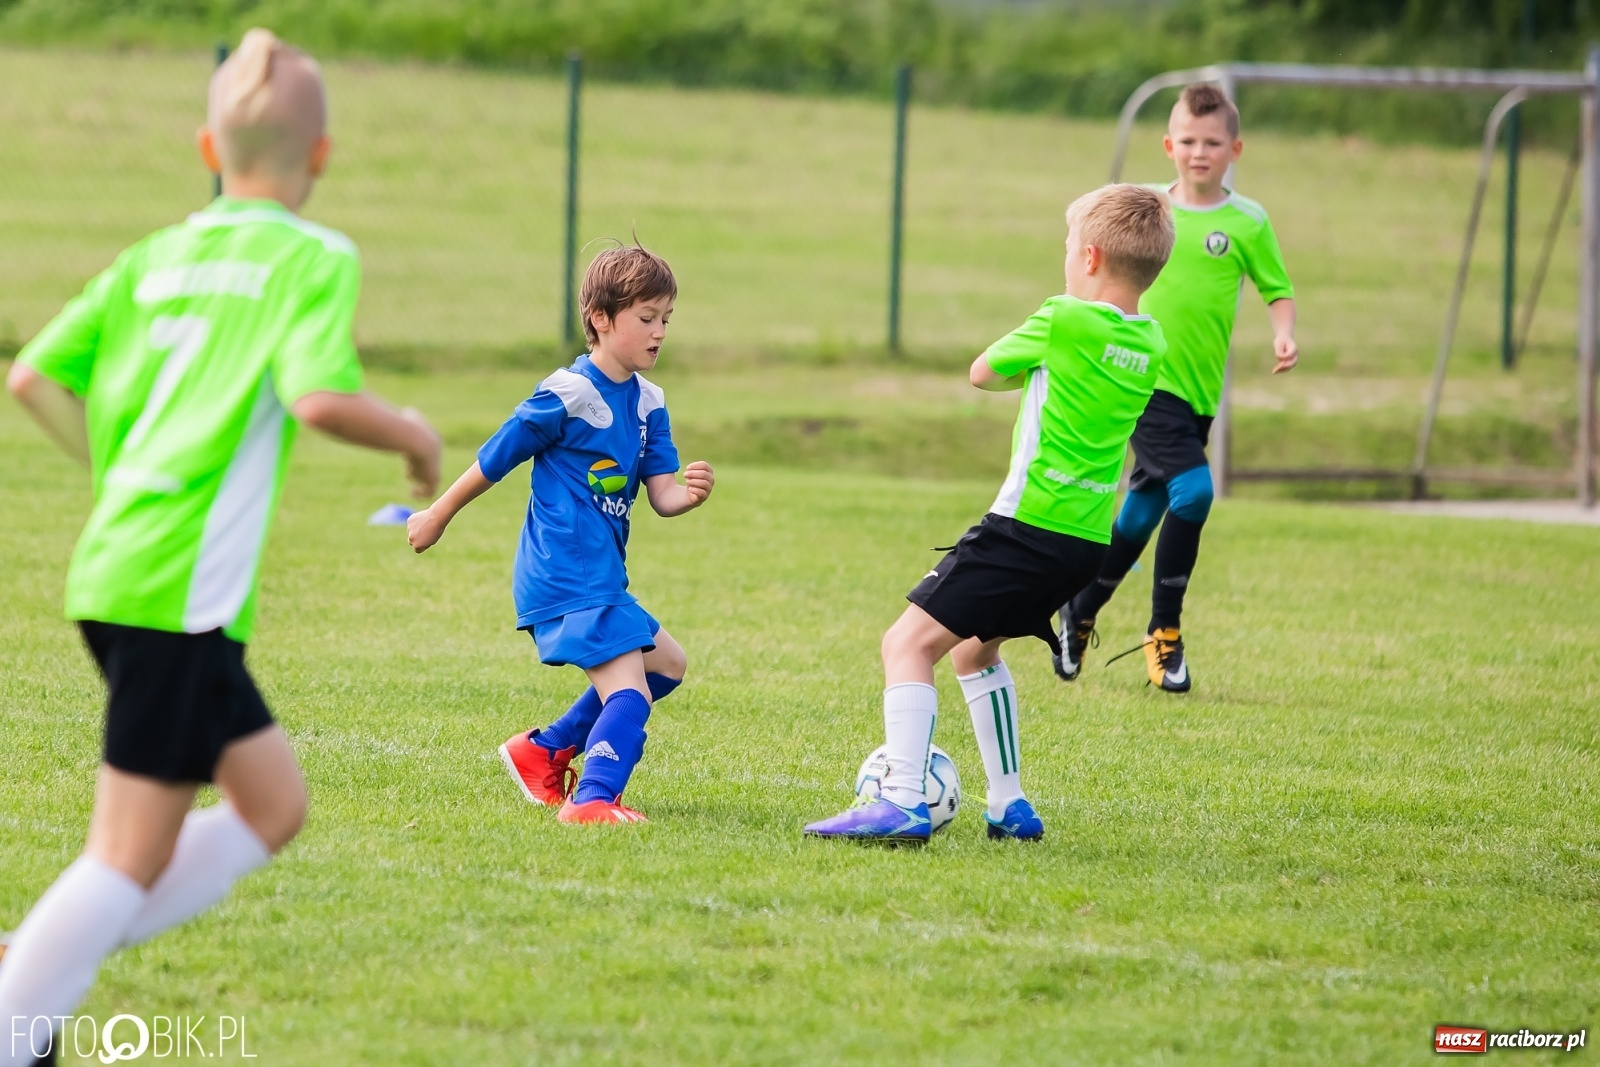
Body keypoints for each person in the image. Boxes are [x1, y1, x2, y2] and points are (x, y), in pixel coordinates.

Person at [0, 30, 441, 1066]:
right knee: (127, 852)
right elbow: (320, 398)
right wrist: (415, 434)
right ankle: (18, 1012)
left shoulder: (157, 252)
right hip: (176, 593)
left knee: (271, 804)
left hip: (121, 565)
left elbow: (32, 377)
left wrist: (112, 474)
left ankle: (38, 959)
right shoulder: (314, 253)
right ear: (321, 154)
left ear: (209, 144)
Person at [804, 184, 1174, 844]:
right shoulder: (1152, 342)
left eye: (1067, 246)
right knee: (975, 652)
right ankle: (1009, 803)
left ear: (1089, 257)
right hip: (1085, 539)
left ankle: (901, 800)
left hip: (1024, 524)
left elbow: (983, 371)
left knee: (906, 644)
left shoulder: (1063, 318)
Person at [406, 245, 712, 825]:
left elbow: (663, 495)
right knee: (632, 691)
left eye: (666, 319)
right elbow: (497, 458)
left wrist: (690, 494)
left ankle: (543, 751)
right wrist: (438, 513)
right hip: (566, 570)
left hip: (602, 574)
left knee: (666, 665)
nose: (659, 332)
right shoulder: (569, 394)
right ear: (601, 318)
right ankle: (593, 800)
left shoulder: (649, 402)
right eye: (646, 318)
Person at [1054, 83, 1298, 694]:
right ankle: (1164, 634)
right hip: (1144, 379)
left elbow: (1276, 286)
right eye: (1188, 140)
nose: (1199, 152)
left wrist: (1283, 335)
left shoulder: (1247, 221)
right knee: (1193, 493)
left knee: (1140, 514)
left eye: (1212, 142)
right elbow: (1092, 257)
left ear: (1234, 148)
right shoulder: (1149, 211)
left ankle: (1079, 611)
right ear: (1168, 145)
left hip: (1198, 395)